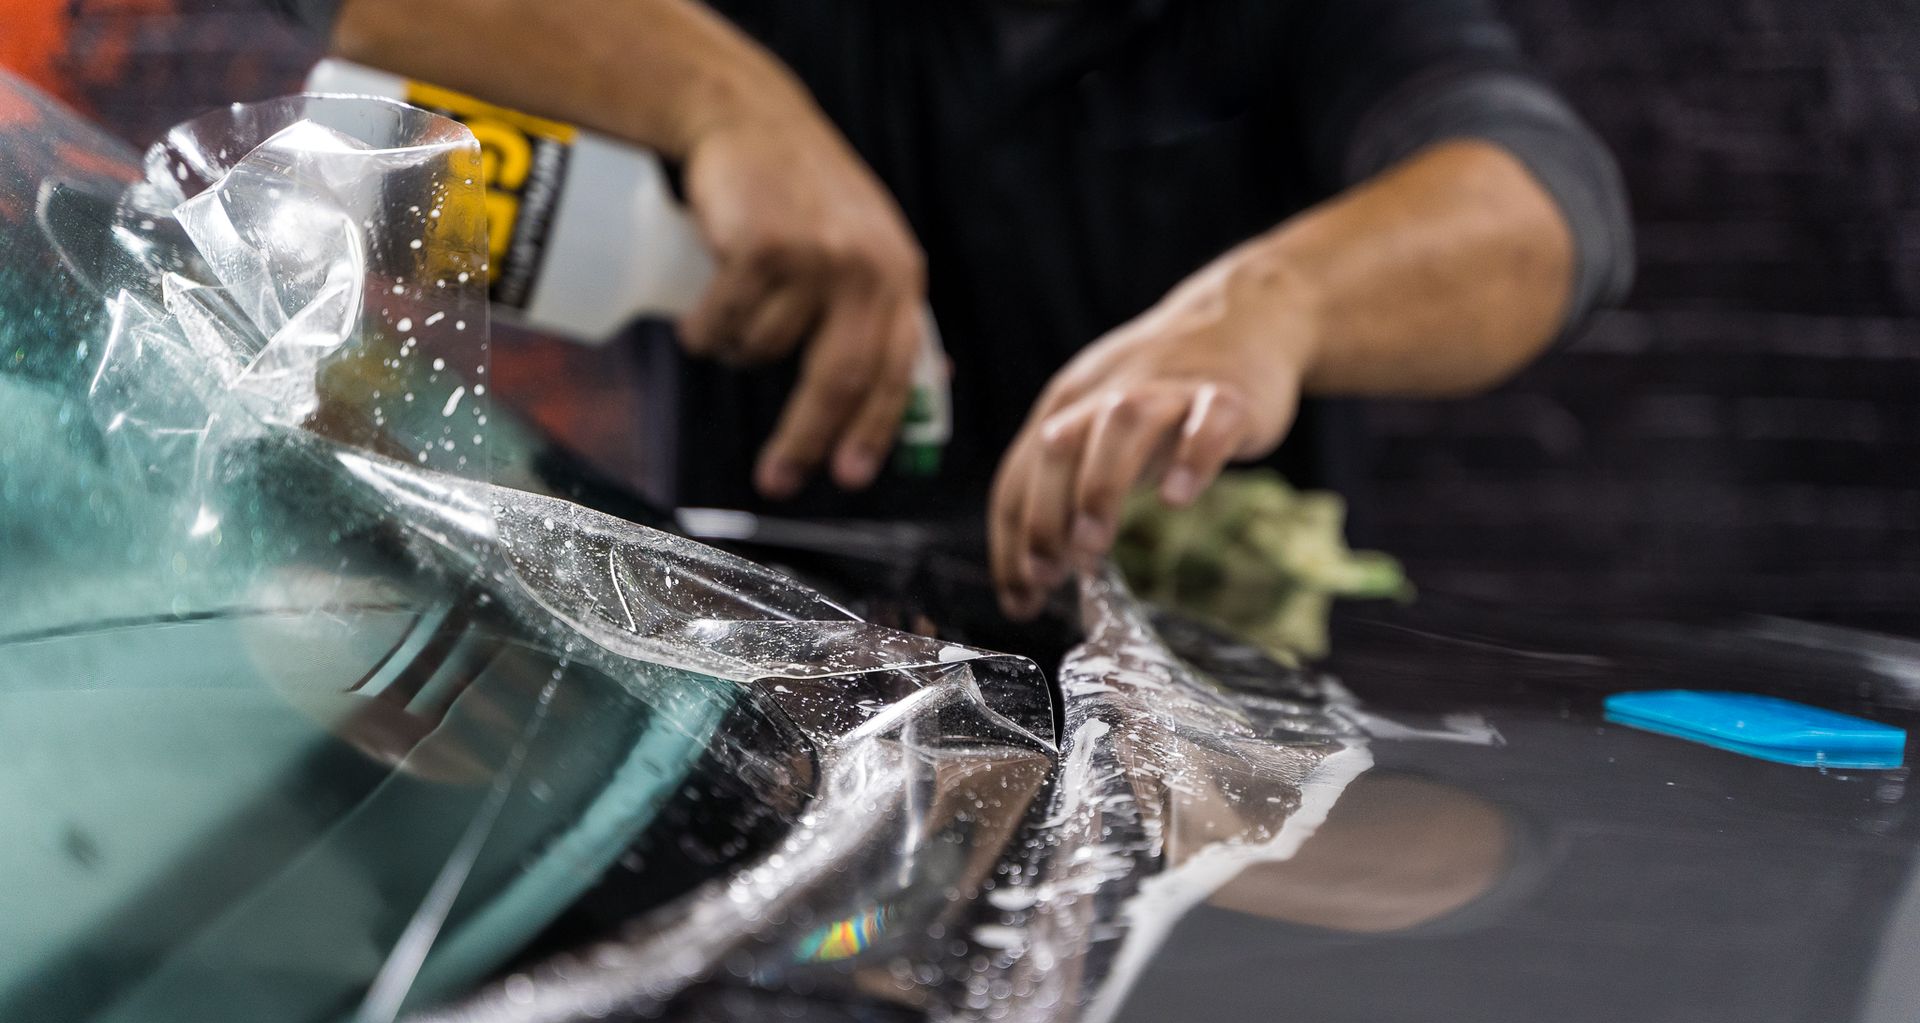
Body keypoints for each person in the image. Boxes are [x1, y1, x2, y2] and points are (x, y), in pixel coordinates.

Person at [309, 0, 1632, 619]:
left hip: (1203, 744)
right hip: (786, 722)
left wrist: (1266, 309)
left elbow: (1543, 212)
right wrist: (724, 100)